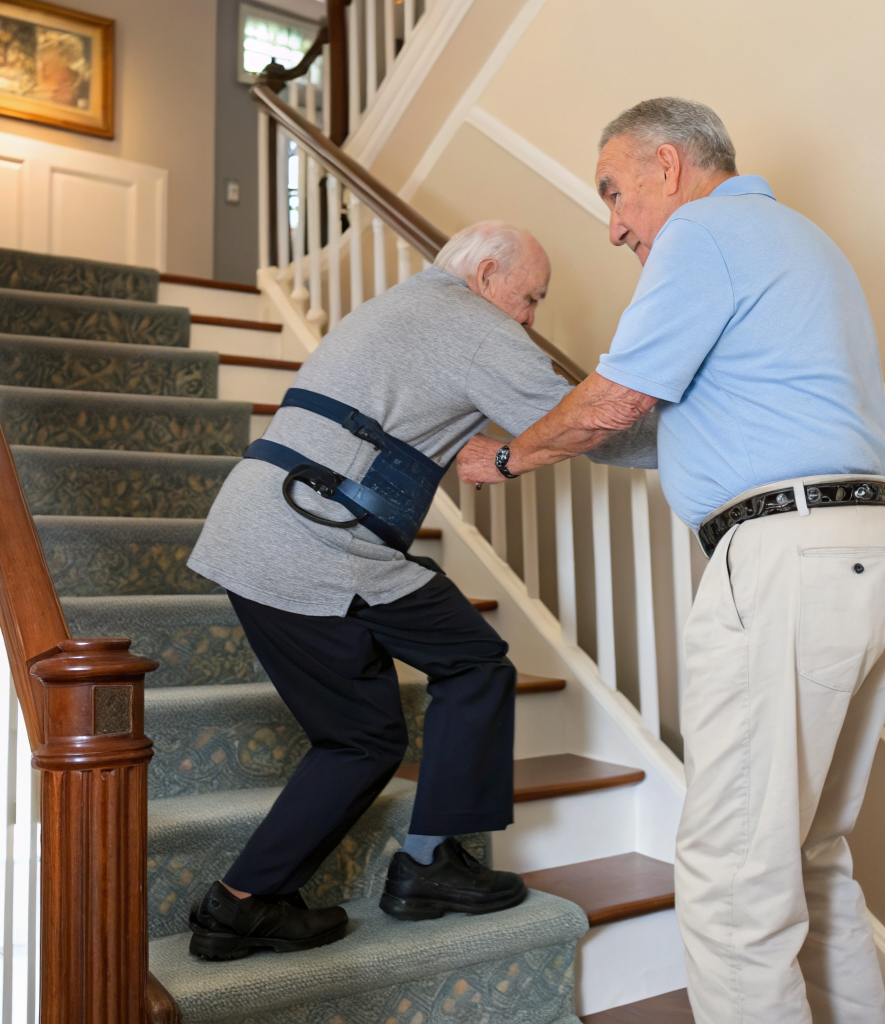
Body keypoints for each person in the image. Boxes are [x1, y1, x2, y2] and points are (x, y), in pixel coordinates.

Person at [458, 99, 885, 1023]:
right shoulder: (797, 240)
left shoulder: (702, 235)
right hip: (876, 548)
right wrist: (575, 422)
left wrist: (505, 454)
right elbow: (657, 424)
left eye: (614, 192)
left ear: (666, 166)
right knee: (808, 856)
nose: (613, 224)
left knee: (726, 878)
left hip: (787, 557)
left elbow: (613, 404)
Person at [185, 221, 657, 961]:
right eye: (529, 298)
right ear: (486, 275)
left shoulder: (394, 308)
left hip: (260, 529)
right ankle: (429, 865)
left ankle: (240, 906)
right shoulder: (470, 324)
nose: (530, 317)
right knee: (473, 664)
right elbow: (584, 420)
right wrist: (697, 438)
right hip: (320, 538)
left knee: (362, 738)